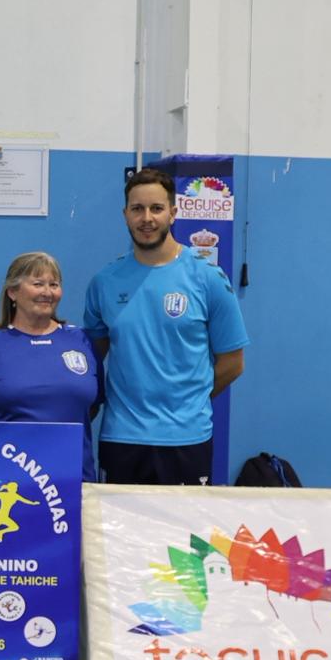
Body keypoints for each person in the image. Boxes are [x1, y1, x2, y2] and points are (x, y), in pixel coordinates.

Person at [82, 168, 248, 485]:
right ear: (125, 214)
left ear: (173, 213)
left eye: (156, 208)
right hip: (122, 438)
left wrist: (191, 400)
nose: (147, 218)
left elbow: (233, 363)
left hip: (187, 439)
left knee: (182, 535)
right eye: (137, 209)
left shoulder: (208, 278)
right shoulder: (104, 283)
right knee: (120, 535)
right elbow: (91, 362)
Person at [0, 251, 101, 480]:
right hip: (7, 478)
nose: (47, 292)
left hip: (74, 477)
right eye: (38, 284)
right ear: (12, 292)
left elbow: (91, 406)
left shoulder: (81, 341)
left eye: (54, 284)